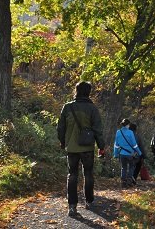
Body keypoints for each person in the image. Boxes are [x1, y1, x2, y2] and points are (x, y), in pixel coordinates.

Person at [57, 81, 105, 217]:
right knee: (88, 174)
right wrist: (101, 147)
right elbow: (97, 130)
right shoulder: (92, 109)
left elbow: (60, 127)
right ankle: (89, 201)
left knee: (72, 175)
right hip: (87, 147)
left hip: (71, 147)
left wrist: (62, 142)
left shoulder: (67, 107)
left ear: (76, 91)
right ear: (89, 92)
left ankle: (72, 206)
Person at [113, 118, 143, 188]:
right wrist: (139, 152)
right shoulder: (130, 132)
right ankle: (129, 181)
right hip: (130, 154)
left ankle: (123, 182)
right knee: (131, 167)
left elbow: (116, 145)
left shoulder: (118, 132)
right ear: (127, 125)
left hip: (122, 154)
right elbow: (134, 144)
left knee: (123, 168)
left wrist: (115, 154)